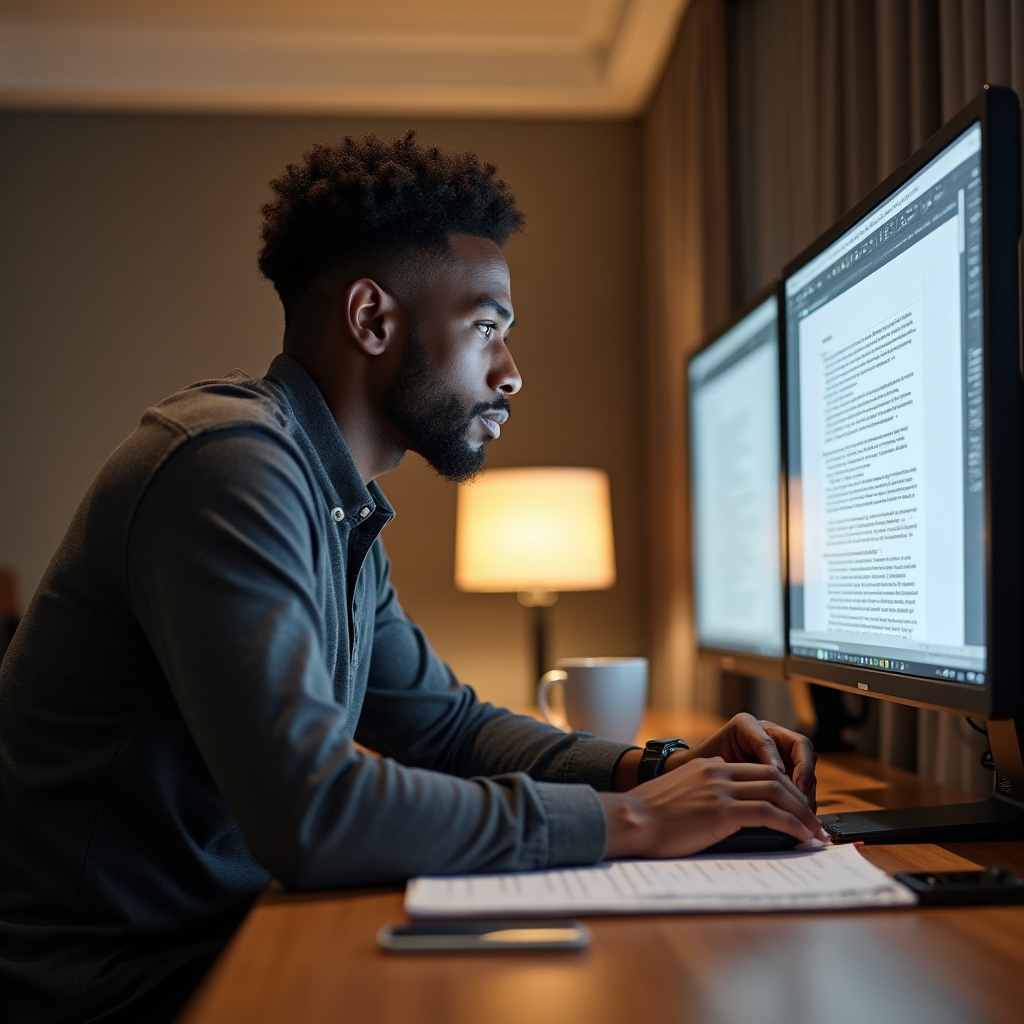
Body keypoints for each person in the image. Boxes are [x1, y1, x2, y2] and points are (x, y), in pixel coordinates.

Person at [0, 132, 825, 1023]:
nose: (512, 374)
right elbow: (312, 814)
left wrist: (652, 769)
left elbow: (447, 730)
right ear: (371, 318)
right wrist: (641, 823)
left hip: (215, 943)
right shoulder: (225, 468)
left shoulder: (334, 506)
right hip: (105, 990)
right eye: (487, 328)